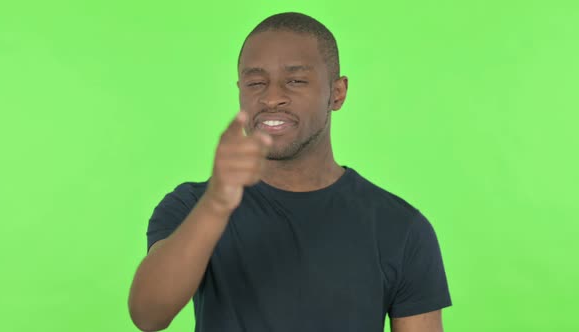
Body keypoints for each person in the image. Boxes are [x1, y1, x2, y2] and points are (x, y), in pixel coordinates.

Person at [128, 12, 452, 332]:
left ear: (337, 93)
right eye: (256, 82)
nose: (271, 98)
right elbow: (148, 316)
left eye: (295, 81)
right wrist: (216, 205)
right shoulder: (191, 207)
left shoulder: (401, 228)